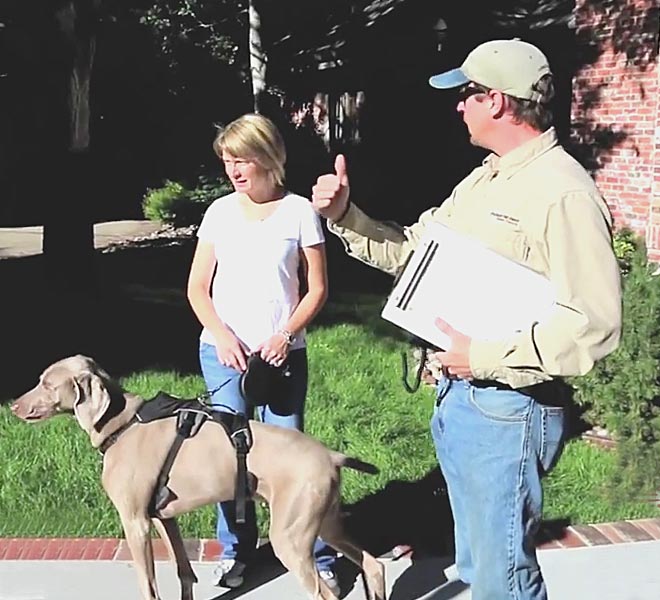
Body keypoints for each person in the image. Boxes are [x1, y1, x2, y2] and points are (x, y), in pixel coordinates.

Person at [312, 39, 622, 600]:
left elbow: (592, 324)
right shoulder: (486, 179)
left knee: (503, 579)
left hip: (510, 409)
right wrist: (346, 217)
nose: (459, 105)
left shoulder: (562, 192)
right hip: (464, 400)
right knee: (480, 567)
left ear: (497, 100)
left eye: (468, 93)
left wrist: (478, 357)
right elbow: (415, 253)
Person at [187, 113, 338, 593]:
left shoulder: (299, 212)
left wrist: (285, 335)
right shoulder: (219, 212)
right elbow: (196, 288)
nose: (233, 170)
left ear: (269, 158)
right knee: (229, 460)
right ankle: (235, 551)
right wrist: (222, 336)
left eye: (242, 159)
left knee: (292, 459)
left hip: (281, 357)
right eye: (227, 160)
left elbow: (317, 289)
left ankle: (314, 552)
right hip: (224, 355)